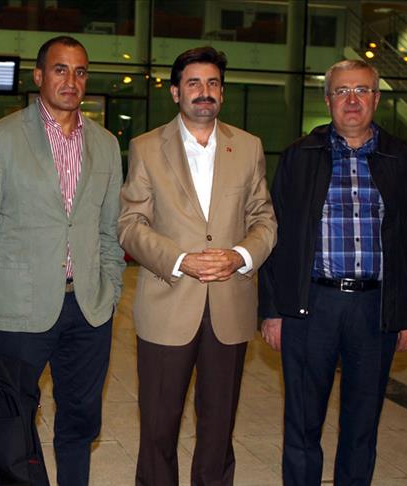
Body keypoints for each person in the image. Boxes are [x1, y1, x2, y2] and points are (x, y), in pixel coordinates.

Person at [258, 59, 407, 486]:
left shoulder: (402, 158)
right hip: (310, 306)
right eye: (342, 91)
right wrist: (272, 310)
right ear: (328, 100)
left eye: (361, 90)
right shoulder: (300, 156)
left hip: (375, 310)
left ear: (376, 98)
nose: (352, 100)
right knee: (302, 422)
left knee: (362, 425)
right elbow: (272, 236)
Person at [0, 36, 125, 486]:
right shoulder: (1, 138)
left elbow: (110, 230)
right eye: (60, 69)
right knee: (11, 419)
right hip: (18, 308)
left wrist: (111, 290)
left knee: (80, 420)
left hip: (88, 309)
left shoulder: (106, 144)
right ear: (38, 76)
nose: (71, 80)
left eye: (80, 72)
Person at [118, 46, 277, 486]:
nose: (203, 92)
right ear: (175, 92)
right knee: (158, 425)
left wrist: (239, 256)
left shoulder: (248, 147)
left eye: (212, 83)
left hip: (230, 306)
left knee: (218, 427)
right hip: (167, 305)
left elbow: (264, 219)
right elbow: (130, 224)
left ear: (222, 93)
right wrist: (180, 259)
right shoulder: (146, 147)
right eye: (193, 83)